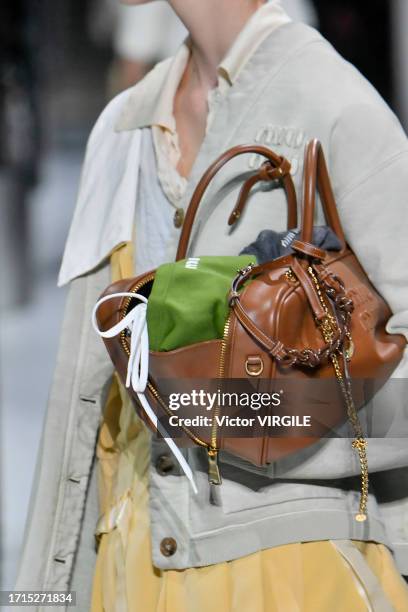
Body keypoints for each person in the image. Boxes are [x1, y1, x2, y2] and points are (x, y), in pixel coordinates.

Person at [15, 1, 408, 611]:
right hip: (133, 576)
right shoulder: (124, 129)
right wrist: (39, 597)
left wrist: (256, 423)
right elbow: (84, 409)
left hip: (295, 581)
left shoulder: (332, 105)